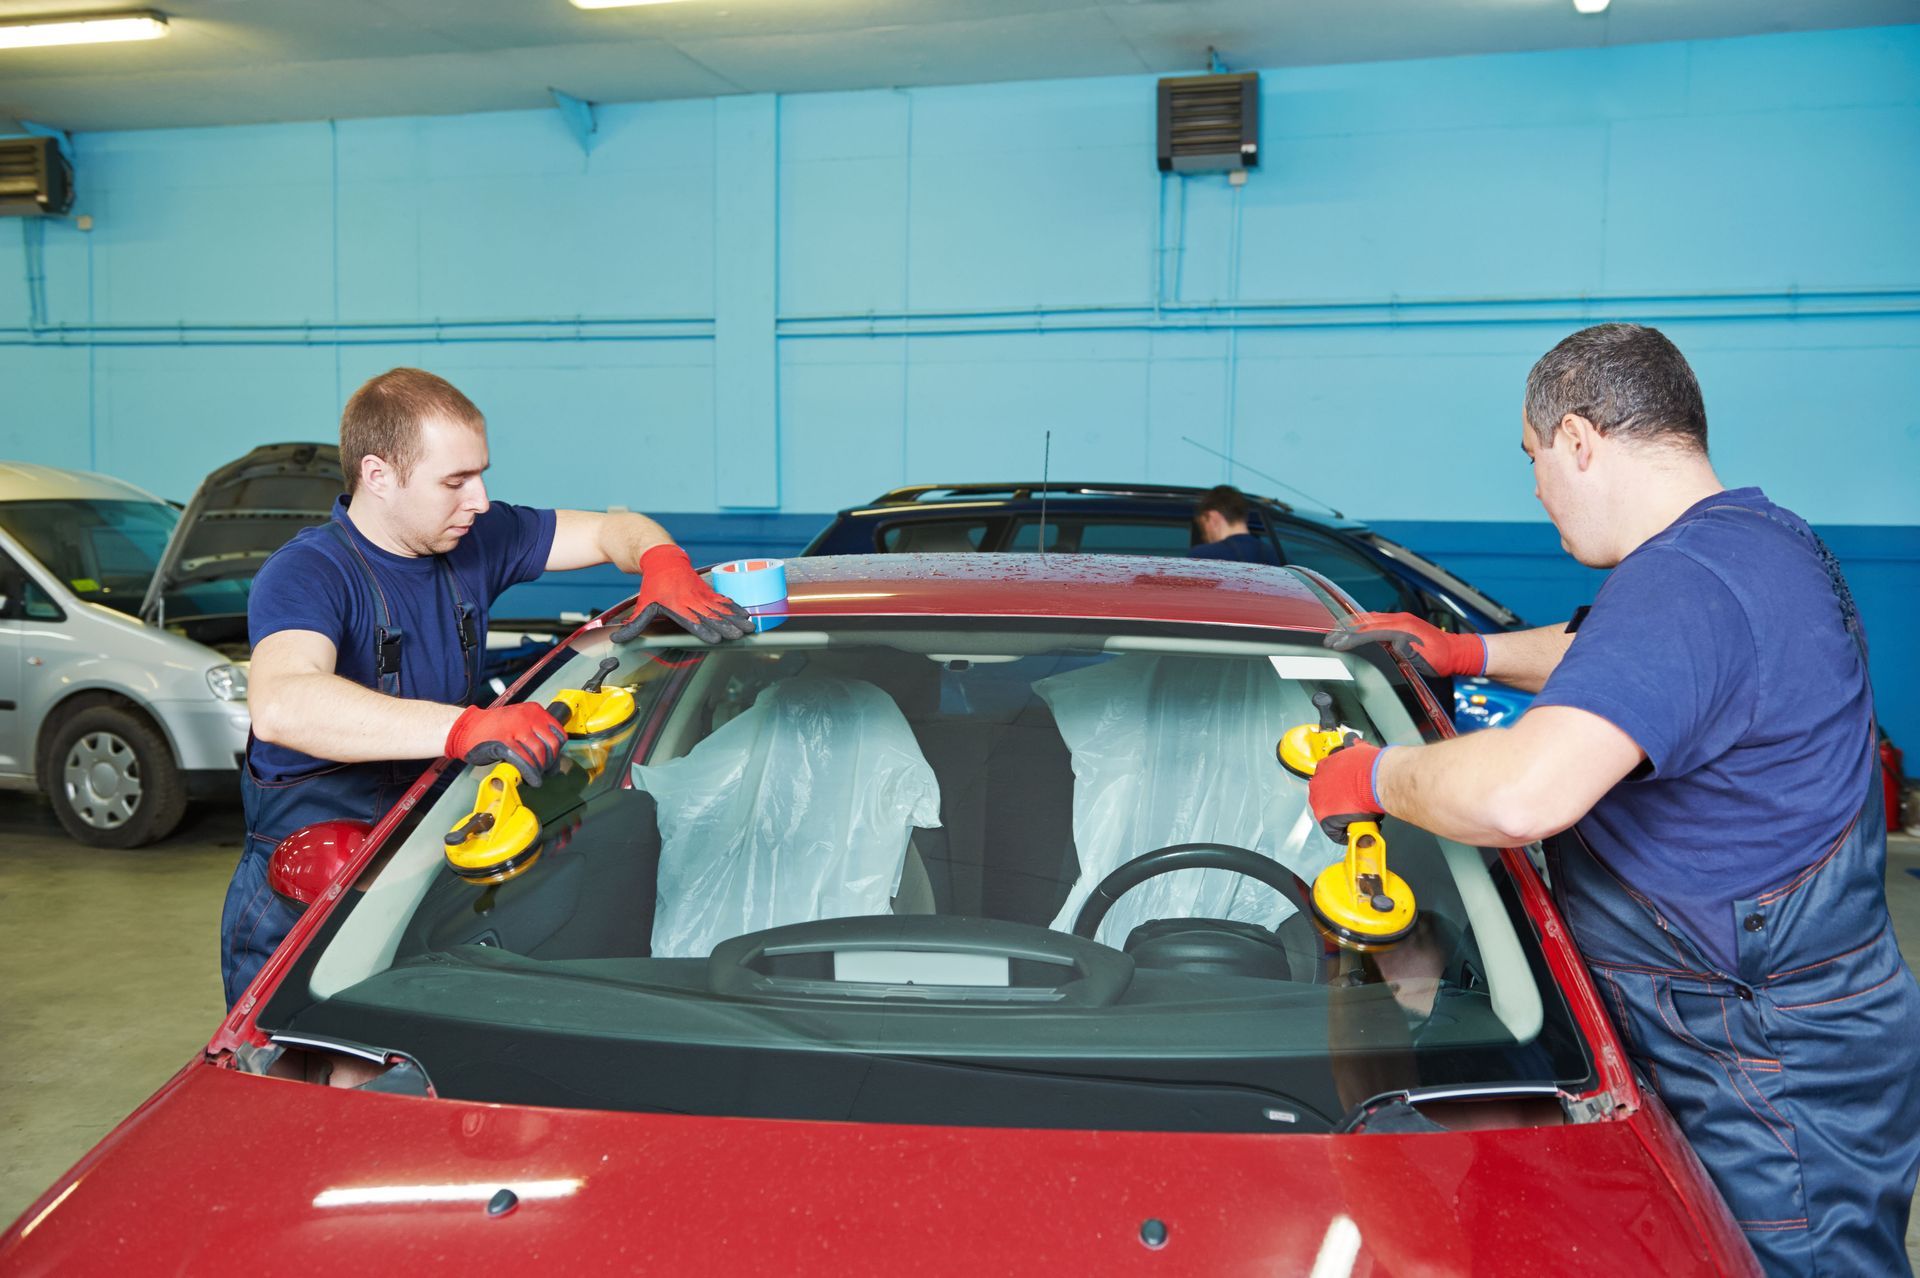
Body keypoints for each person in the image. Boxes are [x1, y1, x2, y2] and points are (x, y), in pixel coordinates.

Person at [1308, 323, 1920, 1275]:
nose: (1538, 488)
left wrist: (1373, 777)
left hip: (1765, 1062)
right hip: (1801, 1024)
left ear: (1581, 440)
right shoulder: (1758, 540)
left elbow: (1519, 796)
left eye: (1534, 457)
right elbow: (1625, 663)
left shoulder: (1689, 582)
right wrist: (1469, 653)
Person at [219, 368, 751, 1007]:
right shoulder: (308, 574)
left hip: (430, 866)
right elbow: (283, 703)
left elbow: (616, 528)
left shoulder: (477, 539)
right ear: (378, 475)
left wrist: (660, 560)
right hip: (311, 893)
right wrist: (464, 728)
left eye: (480, 474)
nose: (478, 499)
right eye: (454, 481)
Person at [1188, 484, 1281, 565]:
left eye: (1203, 526)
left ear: (1213, 517)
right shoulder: (1271, 554)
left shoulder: (1203, 556)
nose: (1204, 537)